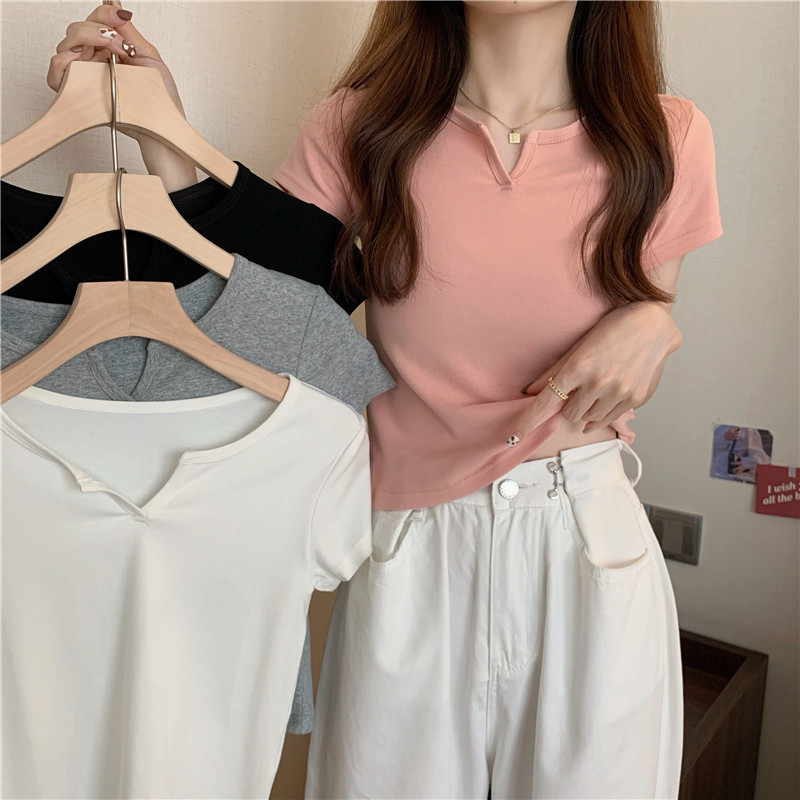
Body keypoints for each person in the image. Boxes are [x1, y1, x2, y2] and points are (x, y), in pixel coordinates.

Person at [48, 2, 723, 797]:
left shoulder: (666, 136)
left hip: (585, 543)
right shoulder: (361, 126)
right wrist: (163, 130)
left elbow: (631, 350)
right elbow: (265, 308)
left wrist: (657, 321)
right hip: (412, 549)